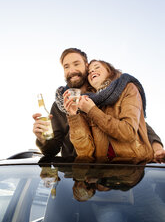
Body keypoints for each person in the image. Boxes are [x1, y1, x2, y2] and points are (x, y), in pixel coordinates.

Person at [32, 48, 165, 162]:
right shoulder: (60, 105)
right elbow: (52, 150)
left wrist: (156, 145)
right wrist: (42, 139)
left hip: (109, 170)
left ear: (86, 65)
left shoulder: (104, 95)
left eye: (76, 64)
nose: (71, 70)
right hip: (74, 173)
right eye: (66, 67)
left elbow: (137, 123)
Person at [64, 60, 153, 163]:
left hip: (131, 169)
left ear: (109, 71)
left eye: (97, 67)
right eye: (89, 72)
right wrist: (73, 116)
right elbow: (85, 152)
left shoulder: (128, 88)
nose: (92, 71)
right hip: (103, 171)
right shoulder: (86, 101)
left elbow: (128, 132)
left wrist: (92, 111)